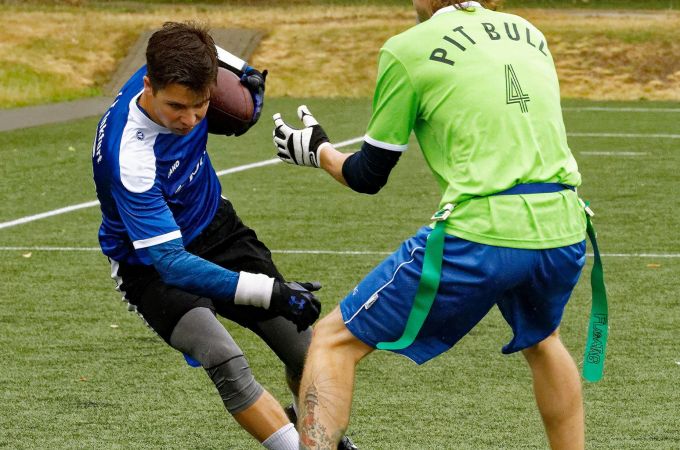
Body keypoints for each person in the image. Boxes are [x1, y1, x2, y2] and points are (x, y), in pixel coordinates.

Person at [271, 1, 588, 449]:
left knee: (332, 339)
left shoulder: (407, 49)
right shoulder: (528, 31)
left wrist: (318, 150)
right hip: (565, 225)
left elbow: (367, 175)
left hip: (484, 232)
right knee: (544, 339)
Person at [92, 21, 357, 450]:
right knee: (225, 359)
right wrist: (270, 292)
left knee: (304, 350)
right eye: (177, 107)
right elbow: (173, 263)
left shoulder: (186, 72)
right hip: (151, 264)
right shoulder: (130, 156)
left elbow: (201, 45)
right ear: (148, 84)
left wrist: (246, 73)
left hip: (215, 226)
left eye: (200, 105)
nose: (191, 118)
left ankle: (317, 437)